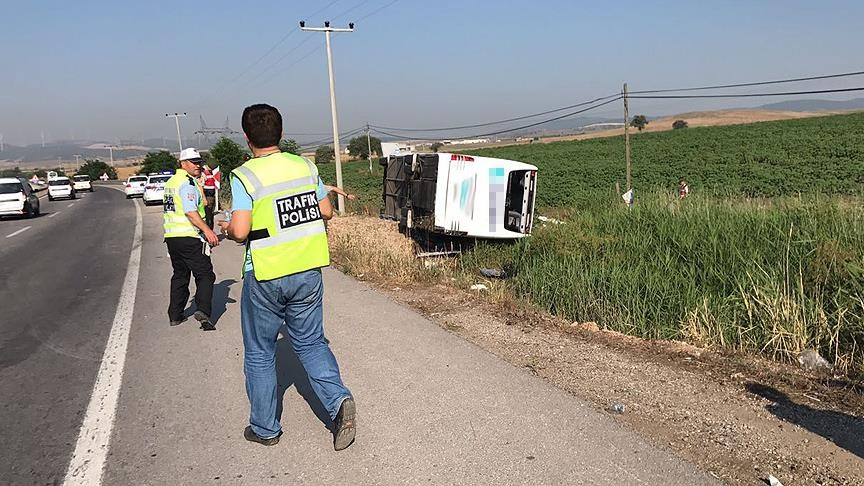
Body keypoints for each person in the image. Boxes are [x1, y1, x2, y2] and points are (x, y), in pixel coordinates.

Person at [218, 104, 355, 450]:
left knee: (261, 351)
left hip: (265, 273)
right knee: (310, 342)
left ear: (247, 138)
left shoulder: (245, 176)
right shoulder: (305, 166)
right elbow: (325, 211)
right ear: (280, 132)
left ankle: (265, 428)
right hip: (308, 269)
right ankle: (339, 403)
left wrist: (228, 227)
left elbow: (241, 230)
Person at [163, 148, 218, 331]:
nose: (198, 165)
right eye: (194, 162)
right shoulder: (186, 183)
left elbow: (199, 203)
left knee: (180, 275)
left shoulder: (172, 182)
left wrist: (199, 185)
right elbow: (190, 211)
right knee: (205, 275)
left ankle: (175, 315)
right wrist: (208, 231)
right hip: (190, 236)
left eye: (199, 162)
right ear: (183, 163)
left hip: (172, 237)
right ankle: (203, 310)